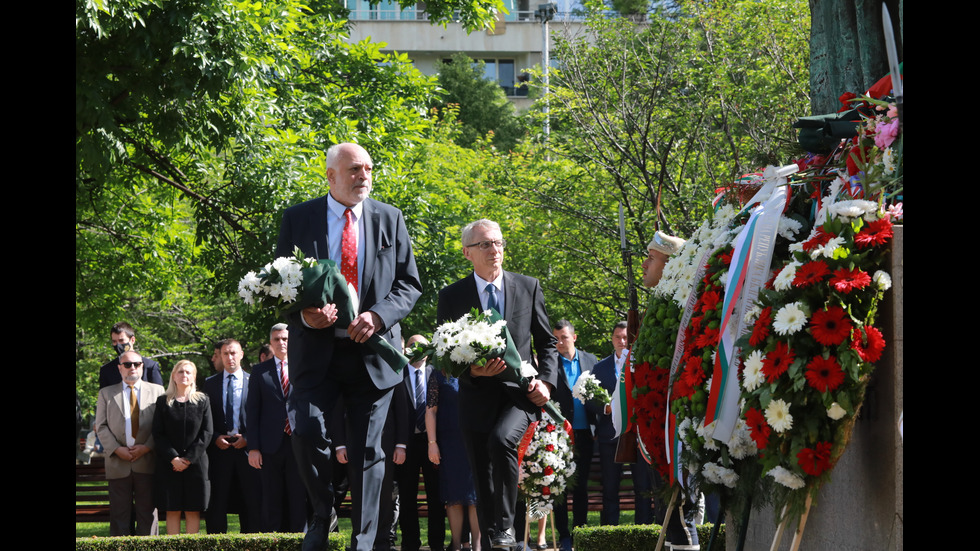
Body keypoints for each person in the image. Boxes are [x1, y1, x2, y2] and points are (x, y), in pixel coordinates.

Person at [275, 142, 422, 551]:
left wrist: (377, 316)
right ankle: (324, 513)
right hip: (316, 354)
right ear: (331, 176)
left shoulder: (390, 218)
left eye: (369, 169)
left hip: (373, 355)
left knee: (369, 452)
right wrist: (306, 315)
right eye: (354, 169)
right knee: (305, 431)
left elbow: (410, 285)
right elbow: (279, 287)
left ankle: (365, 538)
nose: (363, 176)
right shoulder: (298, 219)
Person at [436, 218, 558, 551]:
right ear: (467, 253)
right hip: (474, 399)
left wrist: (546, 382)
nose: (495, 250)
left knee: (502, 441)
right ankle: (496, 538)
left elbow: (547, 342)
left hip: (520, 396)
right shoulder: (452, 296)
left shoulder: (528, 286)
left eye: (499, 243)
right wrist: (474, 372)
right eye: (486, 244)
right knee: (482, 473)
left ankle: (506, 529)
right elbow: (445, 355)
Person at [638, 231, 699, 549]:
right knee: (669, 515)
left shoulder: (680, 308)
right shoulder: (663, 304)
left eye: (652, 258)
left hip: (673, 426)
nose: (644, 265)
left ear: (672, 264)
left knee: (679, 516)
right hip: (657, 425)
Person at [95, 350, 166, 536]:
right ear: (120, 368)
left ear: (142, 366)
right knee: (119, 517)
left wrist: (147, 447)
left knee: (148, 515)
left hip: (148, 461)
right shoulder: (106, 393)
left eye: (136, 364)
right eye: (127, 364)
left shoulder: (158, 391)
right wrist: (117, 449)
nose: (132, 368)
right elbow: (100, 426)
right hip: (118, 462)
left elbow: (162, 425)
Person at [246, 324, 309, 532]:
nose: (281, 343)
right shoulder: (259, 371)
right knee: (271, 497)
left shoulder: (304, 366)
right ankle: (272, 541)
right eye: (276, 339)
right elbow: (252, 410)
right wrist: (253, 447)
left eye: (285, 339)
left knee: (298, 496)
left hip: (298, 441)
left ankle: (299, 540)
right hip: (269, 445)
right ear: (270, 343)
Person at [204, 339, 261, 533]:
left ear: (242, 354)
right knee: (217, 503)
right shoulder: (209, 384)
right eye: (226, 354)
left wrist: (248, 438)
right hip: (219, 452)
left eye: (233, 353)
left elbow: (261, 416)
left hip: (247, 451)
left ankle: (251, 544)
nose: (230, 357)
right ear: (220, 356)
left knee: (251, 502)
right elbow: (206, 419)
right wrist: (215, 437)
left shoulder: (254, 381)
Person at [551, 319, 598, 551]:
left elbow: (600, 396)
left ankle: (580, 532)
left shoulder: (591, 361)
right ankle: (564, 536)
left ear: (574, 337)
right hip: (557, 436)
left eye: (564, 337)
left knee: (580, 487)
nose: (559, 342)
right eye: (556, 338)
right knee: (559, 487)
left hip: (584, 434)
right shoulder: (549, 362)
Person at [397, 335, 447, 551]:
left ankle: (436, 544)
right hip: (405, 444)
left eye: (423, 347)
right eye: (412, 346)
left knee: (436, 495)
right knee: (407, 496)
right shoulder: (396, 375)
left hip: (433, 444)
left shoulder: (438, 373)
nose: (418, 350)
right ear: (406, 349)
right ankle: (410, 543)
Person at [426, 359, 481, 551]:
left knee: (476, 497)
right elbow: (431, 411)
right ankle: (456, 545)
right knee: (453, 496)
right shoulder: (438, 374)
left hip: (476, 441)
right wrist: (432, 444)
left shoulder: (479, 370)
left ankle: (478, 545)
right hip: (449, 444)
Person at [153, 360, 213, 534]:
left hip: (196, 465)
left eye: (188, 372)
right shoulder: (163, 402)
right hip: (169, 465)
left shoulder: (203, 401)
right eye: (180, 372)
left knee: (193, 510)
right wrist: (174, 458)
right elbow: (158, 434)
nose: (184, 375)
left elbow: (207, 432)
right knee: (172, 510)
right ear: (173, 376)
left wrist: (188, 459)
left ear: (193, 377)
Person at [589, 321, 628, 526]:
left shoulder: (639, 363)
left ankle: (645, 531)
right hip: (608, 435)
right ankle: (610, 531)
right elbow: (589, 399)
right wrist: (606, 408)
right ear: (612, 339)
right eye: (617, 337)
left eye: (625, 337)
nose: (622, 341)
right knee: (610, 488)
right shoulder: (600, 367)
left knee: (643, 488)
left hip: (635, 436)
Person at [99, 322, 164, 389]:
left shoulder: (150, 367)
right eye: (114, 341)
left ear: (132, 340)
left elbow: (159, 394)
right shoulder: (107, 370)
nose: (118, 345)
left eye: (121, 340)